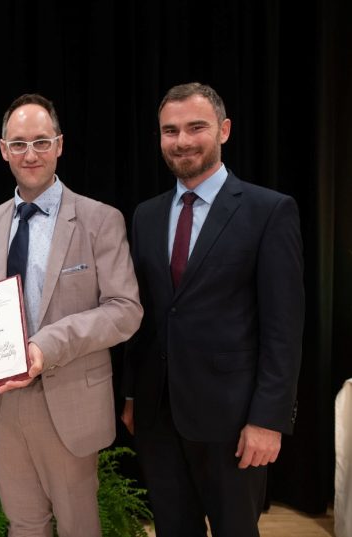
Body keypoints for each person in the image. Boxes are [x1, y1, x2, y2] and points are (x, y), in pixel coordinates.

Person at [121, 82, 305, 537]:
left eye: (195, 127)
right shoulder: (146, 214)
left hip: (233, 419)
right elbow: (139, 313)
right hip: (157, 416)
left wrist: (268, 419)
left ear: (223, 130)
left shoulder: (270, 210)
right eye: (170, 130)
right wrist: (130, 395)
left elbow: (285, 328)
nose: (182, 141)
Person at [0, 93, 143, 536]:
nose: (31, 154)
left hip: (68, 399)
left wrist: (47, 345)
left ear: (60, 145)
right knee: (23, 523)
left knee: (78, 526)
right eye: (20, 143)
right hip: (1, 403)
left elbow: (125, 311)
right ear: (3, 149)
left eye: (42, 142)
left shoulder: (99, 219)